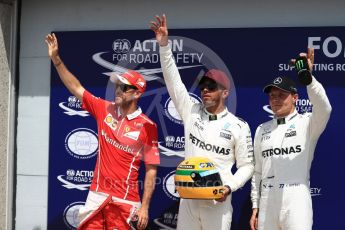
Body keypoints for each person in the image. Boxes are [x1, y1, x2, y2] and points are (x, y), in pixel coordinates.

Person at [45, 33, 160, 230]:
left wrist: (145, 208)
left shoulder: (147, 126)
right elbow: (76, 88)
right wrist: (56, 60)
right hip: (97, 196)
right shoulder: (104, 108)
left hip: (126, 201)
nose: (118, 90)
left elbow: (151, 170)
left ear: (137, 93)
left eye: (124, 88)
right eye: (117, 86)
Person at [150, 15, 254, 230]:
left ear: (224, 93)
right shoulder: (192, 111)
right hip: (188, 200)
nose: (205, 90)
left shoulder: (238, 126)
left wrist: (229, 186)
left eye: (212, 86)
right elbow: (173, 82)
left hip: (217, 201)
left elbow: (247, 166)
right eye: (203, 85)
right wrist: (163, 46)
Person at [250, 48, 332, 230]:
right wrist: (255, 205)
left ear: (295, 97)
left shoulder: (308, 123)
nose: (276, 99)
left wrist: (308, 79)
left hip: (296, 198)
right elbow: (257, 172)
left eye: (281, 95)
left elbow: (325, 108)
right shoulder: (262, 129)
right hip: (267, 200)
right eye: (272, 95)